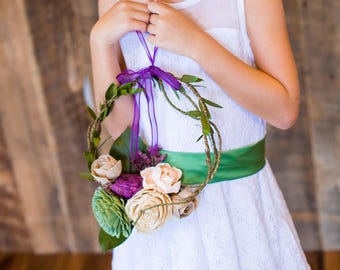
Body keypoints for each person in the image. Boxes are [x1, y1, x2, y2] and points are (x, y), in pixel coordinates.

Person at [90, 0, 311, 269]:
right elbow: (122, 129)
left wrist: (196, 43)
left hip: (238, 204)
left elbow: (284, 110)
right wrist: (100, 42)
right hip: (160, 215)